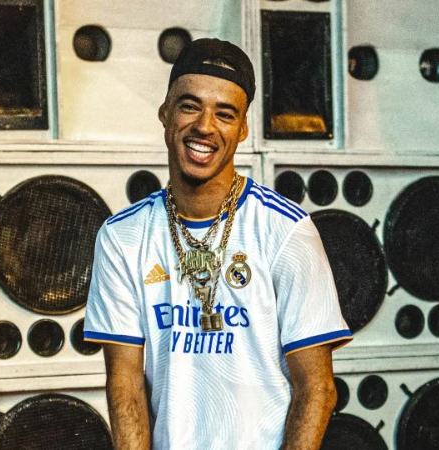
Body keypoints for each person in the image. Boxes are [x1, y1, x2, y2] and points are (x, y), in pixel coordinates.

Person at [84, 38, 352, 450]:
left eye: (224, 114)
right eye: (190, 106)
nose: (205, 126)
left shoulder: (286, 230)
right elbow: (125, 385)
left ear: (242, 129)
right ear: (165, 113)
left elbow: (316, 388)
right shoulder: (122, 236)